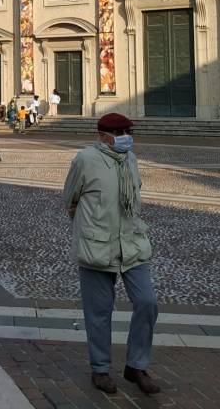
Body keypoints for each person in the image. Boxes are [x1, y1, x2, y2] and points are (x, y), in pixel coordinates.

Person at [63, 113, 160, 396]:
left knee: (147, 302)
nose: (127, 136)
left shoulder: (130, 158)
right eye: (121, 132)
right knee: (99, 312)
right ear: (104, 136)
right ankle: (101, 369)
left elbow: (136, 191)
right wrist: (89, 225)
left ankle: (136, 366)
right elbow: (70, 197)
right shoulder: (85, 160)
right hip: (98, 244)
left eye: (129, 131)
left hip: (131, 242)